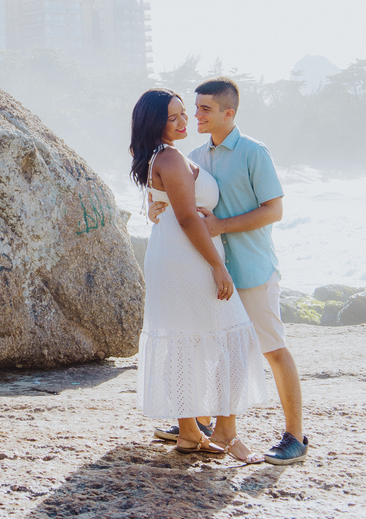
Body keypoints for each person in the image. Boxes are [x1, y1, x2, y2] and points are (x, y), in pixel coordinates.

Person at [149, 76, 309, 465]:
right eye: (194, 108)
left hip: (250, 268)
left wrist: (222, 226)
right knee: (211, 347)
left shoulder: (254, 152)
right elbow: (183, 204)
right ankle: (201, 425)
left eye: (204, 109)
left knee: (271, 349)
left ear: (228, 113)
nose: (195, 115)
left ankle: (295, 436)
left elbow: (275, 210)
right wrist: (155, 209)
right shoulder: (196, 156)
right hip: (208, 270)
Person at [131, 87, 268, 464]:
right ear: (155, 123)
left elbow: (171, 208)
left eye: (183, 114)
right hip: (187, 258)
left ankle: (192, 433)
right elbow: (190, 218)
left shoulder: (162, 156)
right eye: (173, 117)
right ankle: (221, 430)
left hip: (175, 253)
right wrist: (218, 265)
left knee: (187, 342)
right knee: (233, 339)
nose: (183, 121)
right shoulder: (171, 158)